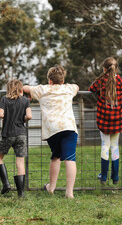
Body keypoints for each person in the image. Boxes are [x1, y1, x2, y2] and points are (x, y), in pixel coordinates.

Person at [23, 65, 79, 199]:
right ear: (62, 80)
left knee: (56, 156)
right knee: (70, 158)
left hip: (52, 130)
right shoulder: (68, 88)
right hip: (69, 127)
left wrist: (30, 93)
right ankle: (69, 192)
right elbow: (76, 87)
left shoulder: (42, 89)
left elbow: (23, 87)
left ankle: (51, 187)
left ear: (49, 80)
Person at [88, 57, 122, 185]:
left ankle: (103, 177)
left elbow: (91, 89)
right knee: (115, 146)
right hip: (117, 120)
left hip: (104, 120)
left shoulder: (100, 81)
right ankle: (115, 177)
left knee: (105, 145)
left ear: (104, 68)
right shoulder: (119, 80)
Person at [0, 79, 32, 197]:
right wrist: (23, 119)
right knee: (20, 162)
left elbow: (0, 114)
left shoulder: (5, 100)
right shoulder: (25, 100)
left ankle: (6, 184)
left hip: (8, 134)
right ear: (21, 89)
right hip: (21, 134)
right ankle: (21, 192)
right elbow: (29, 116)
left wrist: (7, 117)